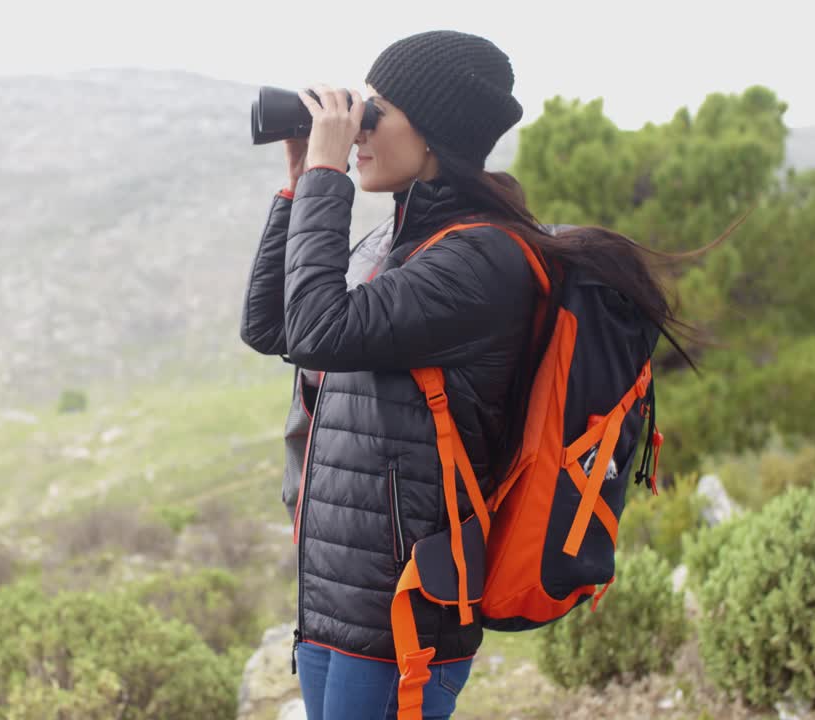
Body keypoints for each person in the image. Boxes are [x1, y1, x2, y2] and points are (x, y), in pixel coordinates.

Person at [240, 30, 696, 720]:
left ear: (433, 134)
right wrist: (303, 185)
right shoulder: (395, 247)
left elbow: (316, 327)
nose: (358, 128)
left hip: (403, 621)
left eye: (375, 110)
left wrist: (331, 180)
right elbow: (272, 326)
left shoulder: (482, 261)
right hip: (334, 602)